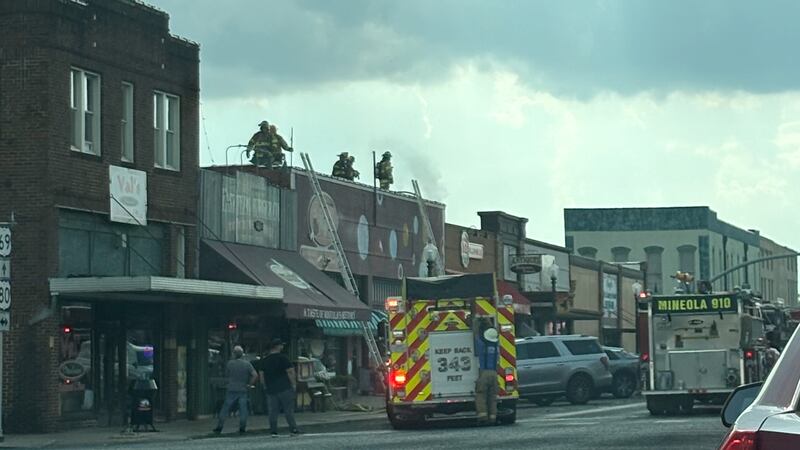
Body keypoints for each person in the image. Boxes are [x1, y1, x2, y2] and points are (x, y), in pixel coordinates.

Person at [256, 338, 300, 437]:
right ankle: (293, 429)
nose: (282, 347)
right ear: (278, 346)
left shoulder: (264, 360)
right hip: (284, 387)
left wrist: (265, 386)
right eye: (281, 345)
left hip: (271, 389)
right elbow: (290, 371)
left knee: (272, 411)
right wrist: (293, 384)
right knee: (288, 410)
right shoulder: (283, 358)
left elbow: (261, 375)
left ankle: (273, 431)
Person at [213, 345, 257, 435]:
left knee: (225, 408)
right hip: (243, 389)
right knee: (243, 409)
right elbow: (255, 375)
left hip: (231, 388)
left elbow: (226, 374)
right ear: (242, 354)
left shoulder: (230, 363)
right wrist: (249, 384)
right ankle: (242, 428)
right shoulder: (247, 364)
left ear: (234, 354)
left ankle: (219, 427)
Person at [474, 318, 499, 424]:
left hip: (484, 373)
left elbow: (476, 337)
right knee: (492, 397)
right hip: (494, 373)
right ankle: (493, 416)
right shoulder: (495, 345)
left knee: (481, 395)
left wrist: (476, 324)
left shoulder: (482, 345)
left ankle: (482, 416)